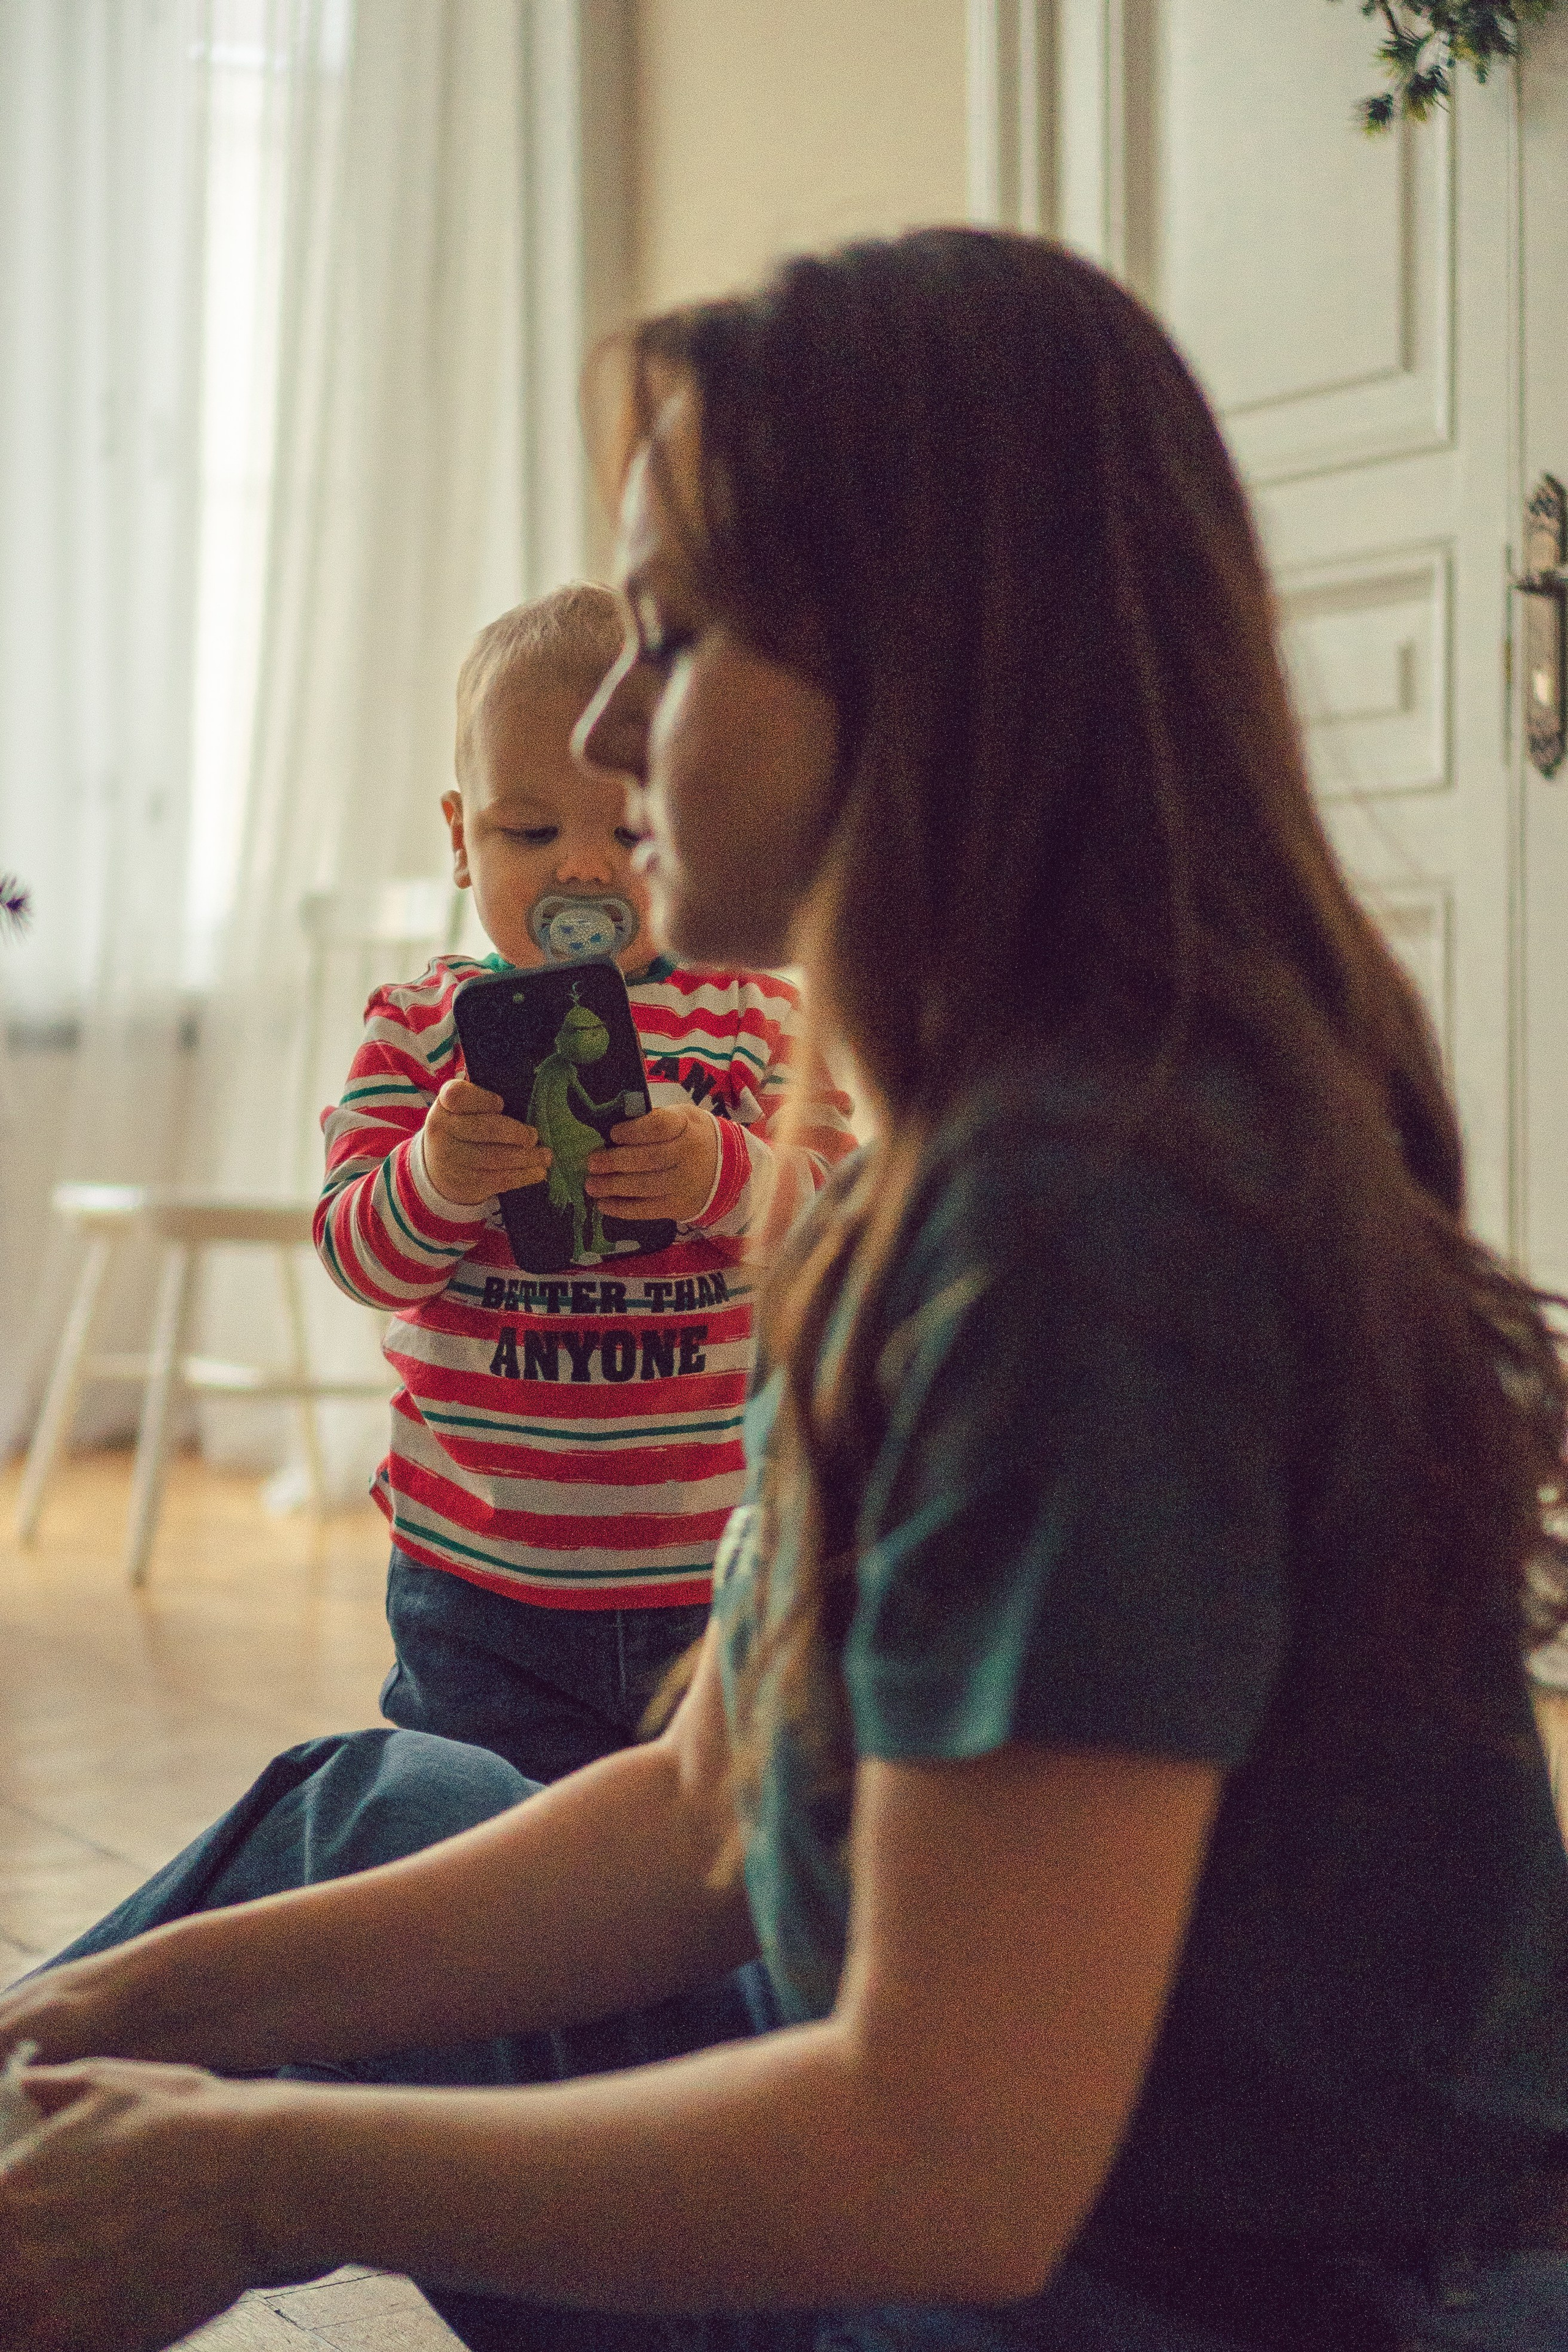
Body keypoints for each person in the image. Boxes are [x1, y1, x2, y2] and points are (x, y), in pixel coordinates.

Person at [2, 227, 1568, 2352]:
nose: (613, 727)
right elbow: (700, 1813)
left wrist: (254, 2173)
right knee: (364, 1821)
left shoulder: (1091, 1230)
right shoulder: (936, 1163)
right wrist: (97, 2024)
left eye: (677, 638)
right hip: (972, 2190)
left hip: (1197, 2303)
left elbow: (951, 2164)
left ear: (931, 664)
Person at [315, 583, 856, 1778]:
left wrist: (723, 1171)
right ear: (461, 836)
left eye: (627, 832)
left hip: (716, 1567)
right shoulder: (420, 1029)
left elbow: (843, 1225)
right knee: (481, 1825)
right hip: (479, 1579)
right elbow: (355, 1252)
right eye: (527, 832)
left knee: (712, 1842)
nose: (580, 867)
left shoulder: (755, 1017)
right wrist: (435, 1176)